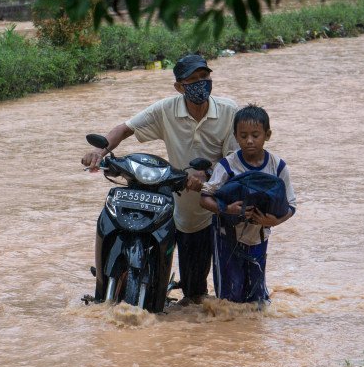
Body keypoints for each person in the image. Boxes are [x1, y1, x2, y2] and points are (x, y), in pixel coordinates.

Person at [81, 54, 238, 306]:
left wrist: (208, 174)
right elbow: (124, 129)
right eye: (193, 80)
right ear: (179, 87)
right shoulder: (166, 109)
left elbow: (236, 160)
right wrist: (100, 153)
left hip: (208, 208)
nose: (201, 83)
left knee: (194, 295)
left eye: (205, 77)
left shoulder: (230, 112)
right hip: (178, 202)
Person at [199, 104, 296, 305]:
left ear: (267, 135)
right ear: (235, 136)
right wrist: (225, 209)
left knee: (257, 298)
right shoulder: (227, 165)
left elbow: (291, 205)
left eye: (255, 135)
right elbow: (204, 198)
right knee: (229, 298)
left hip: (260, 237)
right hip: (226, 237)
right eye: (243, 136)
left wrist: (275, 221)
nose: (249, 141)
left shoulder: (278, 167)